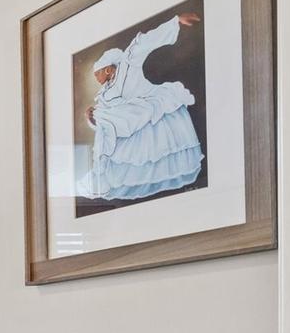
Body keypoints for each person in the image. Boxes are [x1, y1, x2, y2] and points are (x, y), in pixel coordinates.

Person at [83, 11, 203, 201]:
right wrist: (93, 117)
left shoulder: (129, 61)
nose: (96, 79)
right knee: (102, 115)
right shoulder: (106, 93)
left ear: (107, 69)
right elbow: (108, 122)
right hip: (129, 120)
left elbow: (146, 41)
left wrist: (175, 22)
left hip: (146, 107)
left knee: (157, 155)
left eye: (97, 73)